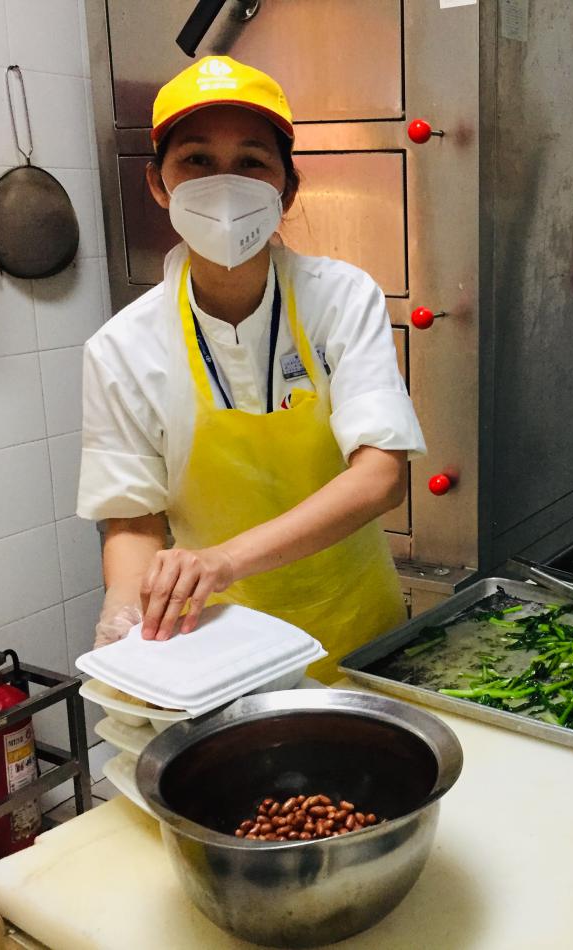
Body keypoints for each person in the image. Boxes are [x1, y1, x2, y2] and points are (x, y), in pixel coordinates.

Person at [77, 56, 422, 678]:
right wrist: (125, 616)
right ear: (158, 184)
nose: (225, 185)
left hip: (358, 630)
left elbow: (380, 476)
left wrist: (223, 559)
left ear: (287, 188)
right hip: (218, 645)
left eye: (252, 162)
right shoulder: (122, 348)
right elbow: (133, 517)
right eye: (197, 160)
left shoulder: (341, 299)